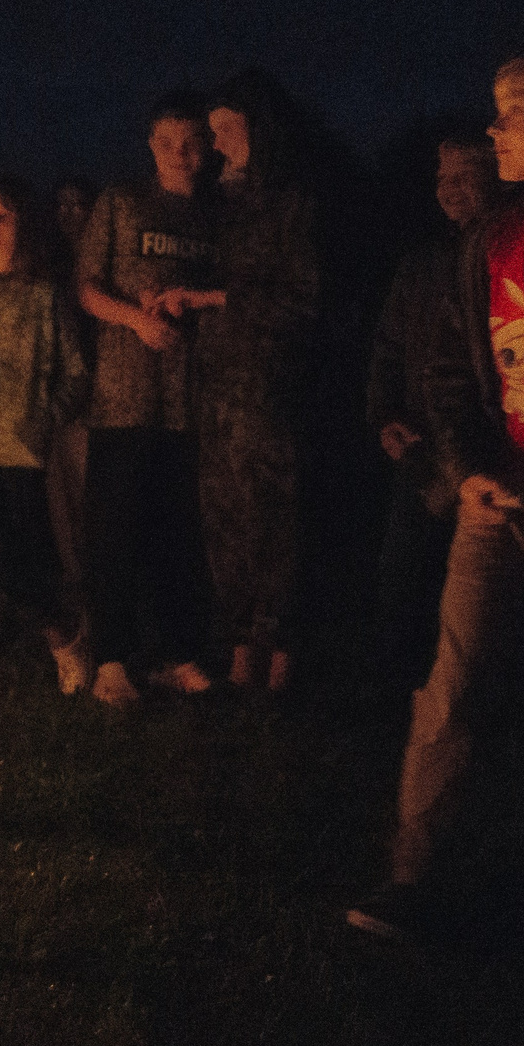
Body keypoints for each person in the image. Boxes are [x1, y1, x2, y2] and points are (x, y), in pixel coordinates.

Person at [350, 30, 524, 976]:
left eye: (515, 107)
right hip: (496, 509)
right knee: (450, 688)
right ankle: (414, 879)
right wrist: (469, 462)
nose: (494, 125)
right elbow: (444, 365)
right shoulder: (492, 242)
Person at [76, 95, 222, 707]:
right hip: (124, 396)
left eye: (191, 142)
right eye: (167, 143)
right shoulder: (122, 202)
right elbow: (85, 286)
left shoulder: (218, 218)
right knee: (115, 527)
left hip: (190, 400)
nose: (180, 155)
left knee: (178, 529)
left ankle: (172, 652)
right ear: (151, 148)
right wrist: (135, 323)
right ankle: (109, 657)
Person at [194, 72, 323, 691]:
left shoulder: (293, 203)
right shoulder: (213, 207)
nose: (217, 144)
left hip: (268, 379)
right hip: (214, 381)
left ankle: (283, 645)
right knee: (223, 511)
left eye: (228, 130)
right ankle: (240, 643)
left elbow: (305, 298)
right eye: (212, 131)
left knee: (274, 509)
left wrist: (218, 296)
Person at [366, 129, 499, 693]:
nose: (449, 189)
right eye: (442, 178)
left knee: (481, 575)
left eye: (464, 175)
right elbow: (390, 344)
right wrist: (384, 412)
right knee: (406, 569)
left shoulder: (510, 250)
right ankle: (392, 684)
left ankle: (483, 688)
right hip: (425, 441)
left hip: (493, 442)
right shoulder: (423, 263)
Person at [0, 176, 92, 697]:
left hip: (22, 446)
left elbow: (76, 372)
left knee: (25, 552)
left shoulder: (42, 295)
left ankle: (59, 638)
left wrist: (46, 417)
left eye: (0, 215)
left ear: (21, 224)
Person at [49, 173, 102, 617]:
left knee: (91, 499)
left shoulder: (102, 263)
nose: (69, 215)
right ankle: (75, 591)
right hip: (60, 404)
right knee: (61, 503)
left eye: (78, 205)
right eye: (62, 206)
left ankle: (95, 589)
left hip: (98, 400)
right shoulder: (47, 266)